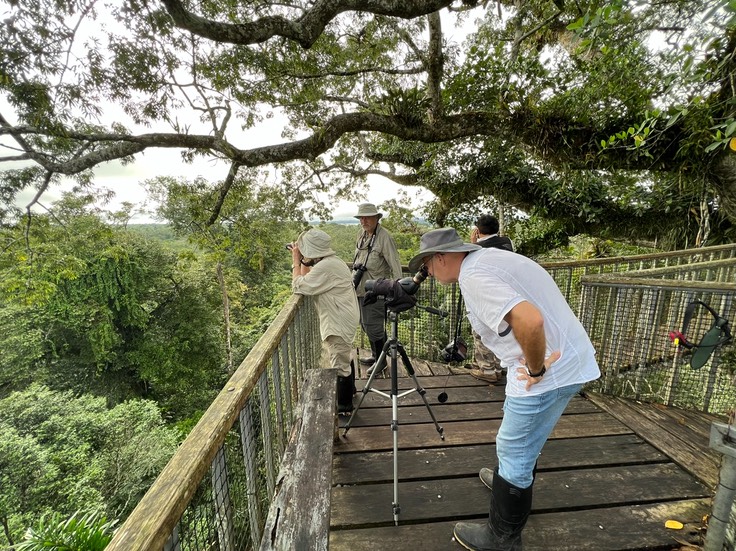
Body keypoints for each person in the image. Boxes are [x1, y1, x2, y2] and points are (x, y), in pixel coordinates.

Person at [408, 228, 600, 551]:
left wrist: (536, 368)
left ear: (440, 258)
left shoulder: (474, 277)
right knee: (521, 440)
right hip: (563, 358)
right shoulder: (486, 260)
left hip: (549, 370)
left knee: (515, 447)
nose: (426, 272)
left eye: (426, 265)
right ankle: (507, 479)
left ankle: (502, 538)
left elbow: (530, 321)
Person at [290, 228, 360, 414]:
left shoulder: (325, 267)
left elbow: (298, 285)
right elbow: (307, 278)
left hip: (338, 322)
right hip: (344, 317)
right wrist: (304, 260)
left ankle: (344, 407)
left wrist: (296, 261)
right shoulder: (332, 262)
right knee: (344, 355)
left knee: (339, 364)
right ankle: (351, 392)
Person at [352, 203, 402, 373]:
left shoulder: (384, 237)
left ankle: (381, 363)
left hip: (376, 291)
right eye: (361, 218)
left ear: (376, 218)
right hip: (360, 289)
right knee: (366, 325)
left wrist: (398, 290)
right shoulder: (362, 235)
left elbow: (395, 263)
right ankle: (377, 356)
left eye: (367, 217)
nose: (364, 221)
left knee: (374, 326)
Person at [468, 214, 515, 385]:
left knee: (482, 332)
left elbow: (468, 265)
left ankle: (487, 370)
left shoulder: (477, 249)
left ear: (477, 230)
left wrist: (473, 243)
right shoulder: (507, 243)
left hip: (484, 297)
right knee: (500, 331)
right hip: (507, 297)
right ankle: (499, 367)